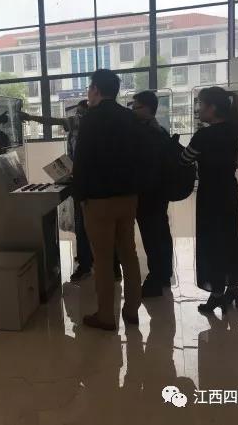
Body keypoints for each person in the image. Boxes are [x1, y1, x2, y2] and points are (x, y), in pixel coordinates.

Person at [20, 101, 122, 283]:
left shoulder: (81, 122)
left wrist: (30, 117)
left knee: (84, 226)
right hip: (96, 183)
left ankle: (87, 265)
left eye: (80, 112)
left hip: (86, 185)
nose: (76, 116)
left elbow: (53, 120)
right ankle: (103, 264)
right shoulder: (102, 128)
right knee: (99, 227)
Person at [73, 69, 144, 330]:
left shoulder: (91, 119)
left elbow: (81, 160)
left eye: (90, 88)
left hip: (99, 200)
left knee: (102, 259)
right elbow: (139, 156)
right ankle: (132, 310)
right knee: (129, 253)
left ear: (95, 89)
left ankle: (105, 315)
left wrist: (80, 197)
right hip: (128, 197)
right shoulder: (130, 117)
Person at [180, 86, 238, 314]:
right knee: (229, 239)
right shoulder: (234, 131)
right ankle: (233, 288)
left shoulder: (204, 136)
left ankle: (216, 294)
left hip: (210, 195)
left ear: (213, 108)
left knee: (211, 243)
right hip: (229, 191)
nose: (199, 109)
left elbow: (185, 159)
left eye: (201, 104)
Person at [130, 91, 174, 297]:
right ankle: (164, 274)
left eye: (136, 107)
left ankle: (155, 279)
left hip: (148, 194)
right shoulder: (160, 130)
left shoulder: (145, 133)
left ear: (148, 109)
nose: (132, 111)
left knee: (152, 237)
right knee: (161, 234)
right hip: (159, 193)